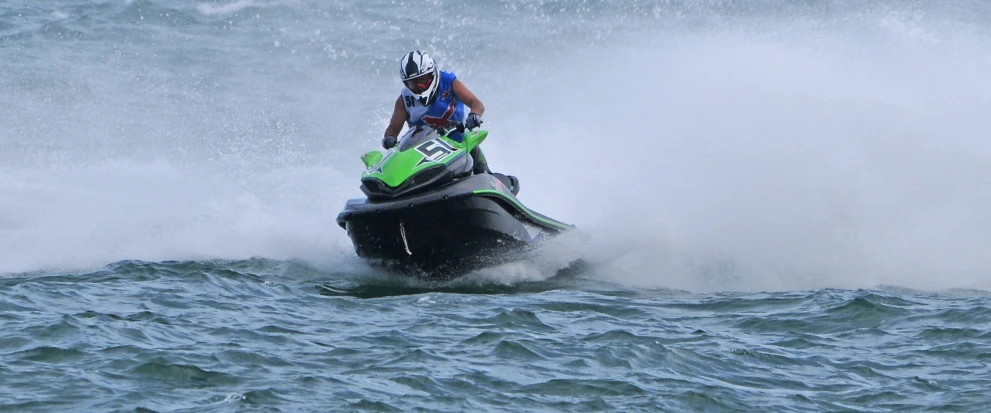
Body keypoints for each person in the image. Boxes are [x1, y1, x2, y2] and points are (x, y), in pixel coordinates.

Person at [382, 50, 491, 175]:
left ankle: (489, 179)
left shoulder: (450, 83)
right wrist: (389, 138)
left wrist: (474, 114)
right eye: (413, 83)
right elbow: (393, 129)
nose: (420, 87)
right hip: (424, 154)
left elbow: (476, 103)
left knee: (473, 148)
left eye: (423, 80)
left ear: (432, 74)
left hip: (458, 142)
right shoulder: (404, 100)